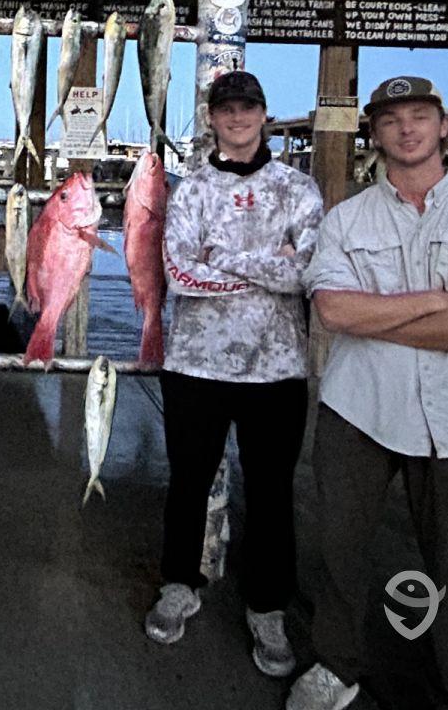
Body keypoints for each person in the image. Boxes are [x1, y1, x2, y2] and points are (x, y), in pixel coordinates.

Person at [288, 76, 448, 710]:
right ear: (373, 131)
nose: (406, 128)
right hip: (359, 407)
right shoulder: (345, 219)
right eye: (391, 118)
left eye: (419, 116)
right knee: (340, 546)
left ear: (443, 127)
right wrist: (435, 301)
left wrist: (384, 317)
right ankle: (337, 665)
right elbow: (336, 314)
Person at [146, 71, 323, 679]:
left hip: (277, 370)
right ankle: (178, 584)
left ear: (264, 114)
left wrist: (224, 259)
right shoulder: (190, 190)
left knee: (273, 492)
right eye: (227, 109)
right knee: (187, 482)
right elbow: (178, 275)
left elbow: (309, 272)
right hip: (195, 365)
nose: (238, 117)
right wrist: (264, 265)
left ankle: (268, 606)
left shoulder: (298, 189)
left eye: (248, 107)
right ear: (213, 118)